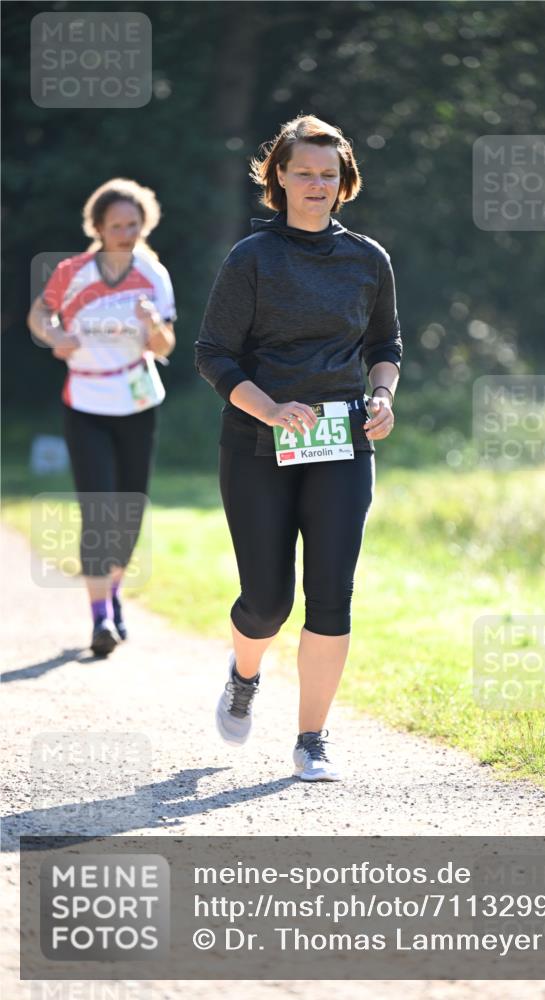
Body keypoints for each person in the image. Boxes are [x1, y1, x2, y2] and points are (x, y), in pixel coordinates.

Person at [195, 114, 402, 781]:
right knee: (266, 602)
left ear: (344, 182)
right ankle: (245, 673)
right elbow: (212, 353)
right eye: (303, 172)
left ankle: (311, 739)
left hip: (341, 444)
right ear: (278, 177)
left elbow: (385, 346)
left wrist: (381, 395)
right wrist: (269, 407)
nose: (316, 184)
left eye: (328, 174)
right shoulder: (251, 258)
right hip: (257, 445)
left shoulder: (368, 259)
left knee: (331, 596)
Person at [27, 178, 176, 657]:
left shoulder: (153, 274)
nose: (126, 233)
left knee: (128, 513)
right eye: (117, 226)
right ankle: (99, 620)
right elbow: (39, 315)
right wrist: (56, 338)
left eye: (134, 224)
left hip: (136, 402)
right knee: (98, 510)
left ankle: (113, 594)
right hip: (86, 401)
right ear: (97, 227)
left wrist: (153, 326)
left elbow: (166, 346)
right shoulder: (72, 272)